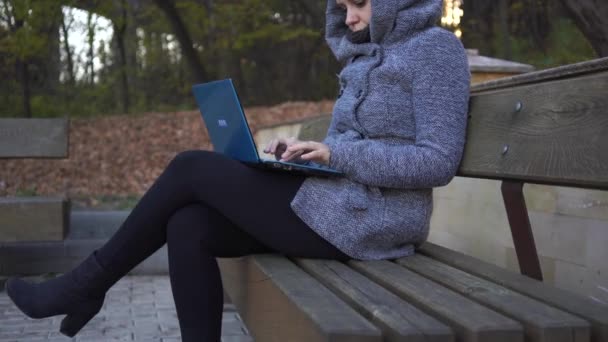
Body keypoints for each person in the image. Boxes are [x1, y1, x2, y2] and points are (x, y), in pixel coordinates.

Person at [6, 0, 470, 341]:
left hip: (375, 222)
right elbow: (350, 144)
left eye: (361, 4)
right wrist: (306, 152)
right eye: (344, 6)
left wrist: (334, 156)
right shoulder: (365, 57)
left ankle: (84, 285)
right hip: (337, 202)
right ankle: (90, 288)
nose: (349, 18)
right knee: (188, 224)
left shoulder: (435, 50)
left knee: (191, 167)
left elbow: (437, 161)